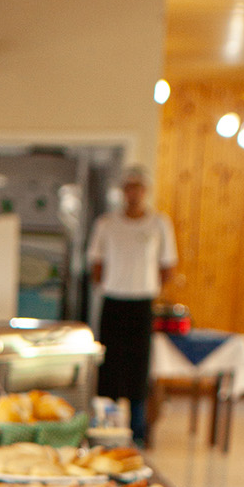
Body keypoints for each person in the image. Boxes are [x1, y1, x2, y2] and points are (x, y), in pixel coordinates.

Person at [88, 166, 178, 444]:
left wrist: (147, 286)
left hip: (142, 302)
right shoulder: (107, 224)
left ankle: (139, 429)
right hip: (114, 301)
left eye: (138, 187)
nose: (133, 193)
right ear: (122, 191)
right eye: (129, 187)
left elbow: (167, 265)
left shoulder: (159, 224)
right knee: (110, 368)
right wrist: (112, 283)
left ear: (146, 191)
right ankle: (107, 425)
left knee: (139, 368)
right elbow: (96, 263)